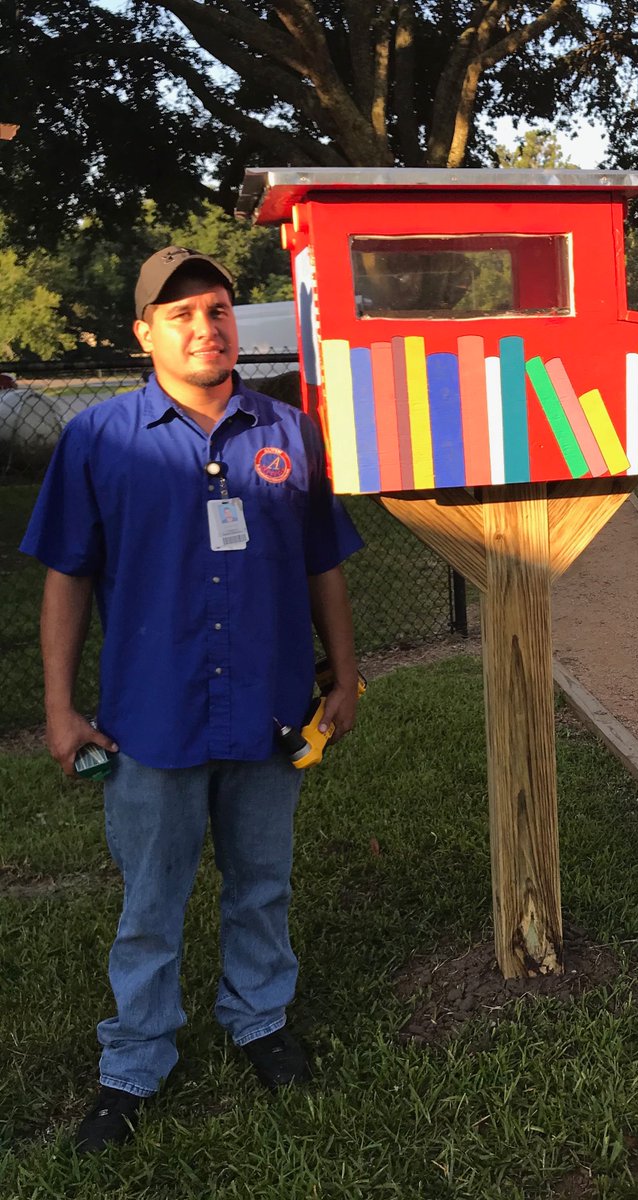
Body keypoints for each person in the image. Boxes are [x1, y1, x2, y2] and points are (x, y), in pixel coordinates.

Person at [21, 246, 364, 1151]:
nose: (203, 328)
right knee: (151, 899)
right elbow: (67, 578)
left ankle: (260, 1018)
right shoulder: (99, 438)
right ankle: (135, 1059)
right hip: (151, 714)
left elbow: (323, 563)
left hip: (270, 704)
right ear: (144, 333)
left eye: (214, 310)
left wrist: (346, 673)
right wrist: (59, 709)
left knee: (261, 884)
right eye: (179, 316)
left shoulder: (288, 434)